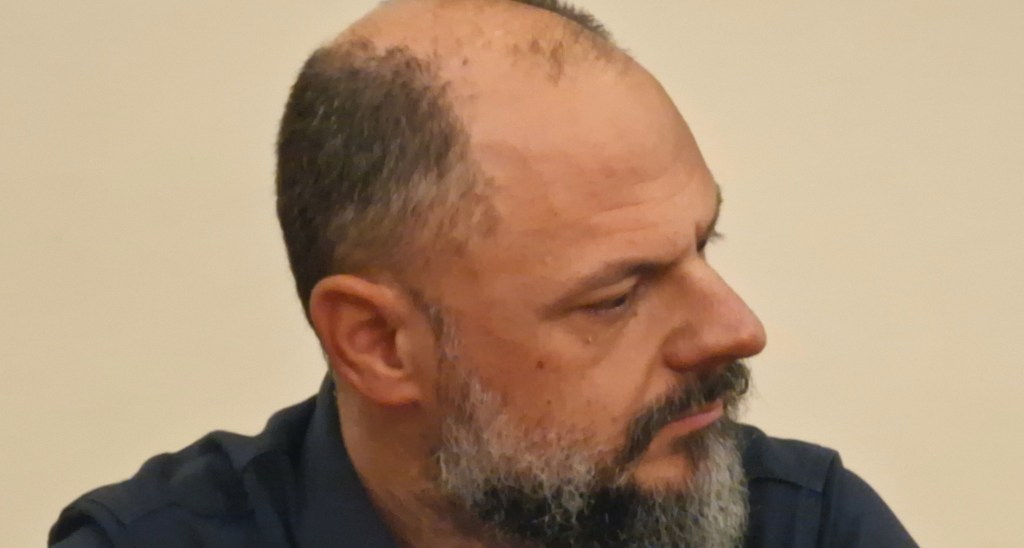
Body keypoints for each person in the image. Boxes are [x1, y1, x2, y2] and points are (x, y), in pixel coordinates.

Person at [49, 0, 916, 546]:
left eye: (704, 244)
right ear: (379, 343)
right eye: (617, 297)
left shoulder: (803, 525)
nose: (737, 329)